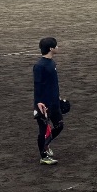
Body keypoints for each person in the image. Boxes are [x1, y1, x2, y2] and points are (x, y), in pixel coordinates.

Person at [33, 37, 68, 165]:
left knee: (59, 125)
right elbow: (37, 85)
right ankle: (43, 156)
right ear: (51, 49)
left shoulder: (52, 63)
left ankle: (46, 144)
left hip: (53, 101)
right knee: (44, 131)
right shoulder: (39, 66)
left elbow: (52, 85)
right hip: (43, 104)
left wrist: (57, 98)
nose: (58, 48)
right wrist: (38, 103)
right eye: (56, 46)